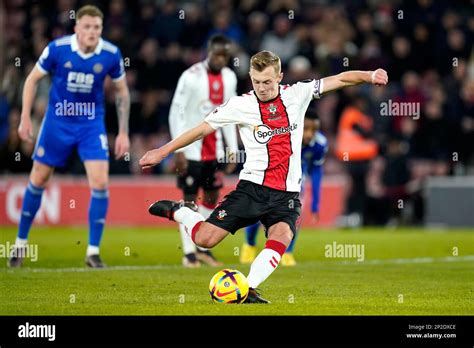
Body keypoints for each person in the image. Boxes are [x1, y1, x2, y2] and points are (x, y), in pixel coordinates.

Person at [140, 50, 388, 303]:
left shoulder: (297, 94)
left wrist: (369, 75)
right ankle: (180, 211)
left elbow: (341, 80)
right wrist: (163, 151)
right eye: (257, 82)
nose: (262, 87)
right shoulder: (240, 105)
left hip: (287, 194)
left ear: (279, 77)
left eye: (267, 82)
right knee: (205, 239)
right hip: (252, 189)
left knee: (282, 236)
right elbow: (201, 129)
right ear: (250, 77)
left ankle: (247, 288)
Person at [8, 5, 130, 268]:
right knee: (38, 179)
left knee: (100, 182)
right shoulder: (57, 48)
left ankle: (93, 252)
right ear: (76, 28)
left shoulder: (110, 54)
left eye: (96, 27)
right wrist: (25, 118)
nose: (92, 32)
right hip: (57, 122)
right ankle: (19, 244)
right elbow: (31, 80)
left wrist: (122, 132)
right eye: (86, 27)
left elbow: (122, 92)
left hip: (90, 124)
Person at [168, 34, 238, 268]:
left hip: (215, 151)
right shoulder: (190, 76)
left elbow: (230, 114)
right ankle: (188, 253)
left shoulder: (229, 77)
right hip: (191, 150)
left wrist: (232, 148)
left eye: (225, 56)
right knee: (189, 200)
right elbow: (175, 111)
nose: (220, 59)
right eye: (217, 54)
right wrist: (178, 148)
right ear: (209, 52)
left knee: (210, 198)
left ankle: (202, 249)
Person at [240, 110, 328, 266]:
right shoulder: (282, 135)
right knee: (257, 213)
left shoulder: (320, 144)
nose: (309, 134)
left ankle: (287, 253)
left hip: (295, 185)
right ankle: (250, 245)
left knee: (294, 218)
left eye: (313, 130)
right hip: (271, 181)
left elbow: (316, 171)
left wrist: (316, 203)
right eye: (306, 129)